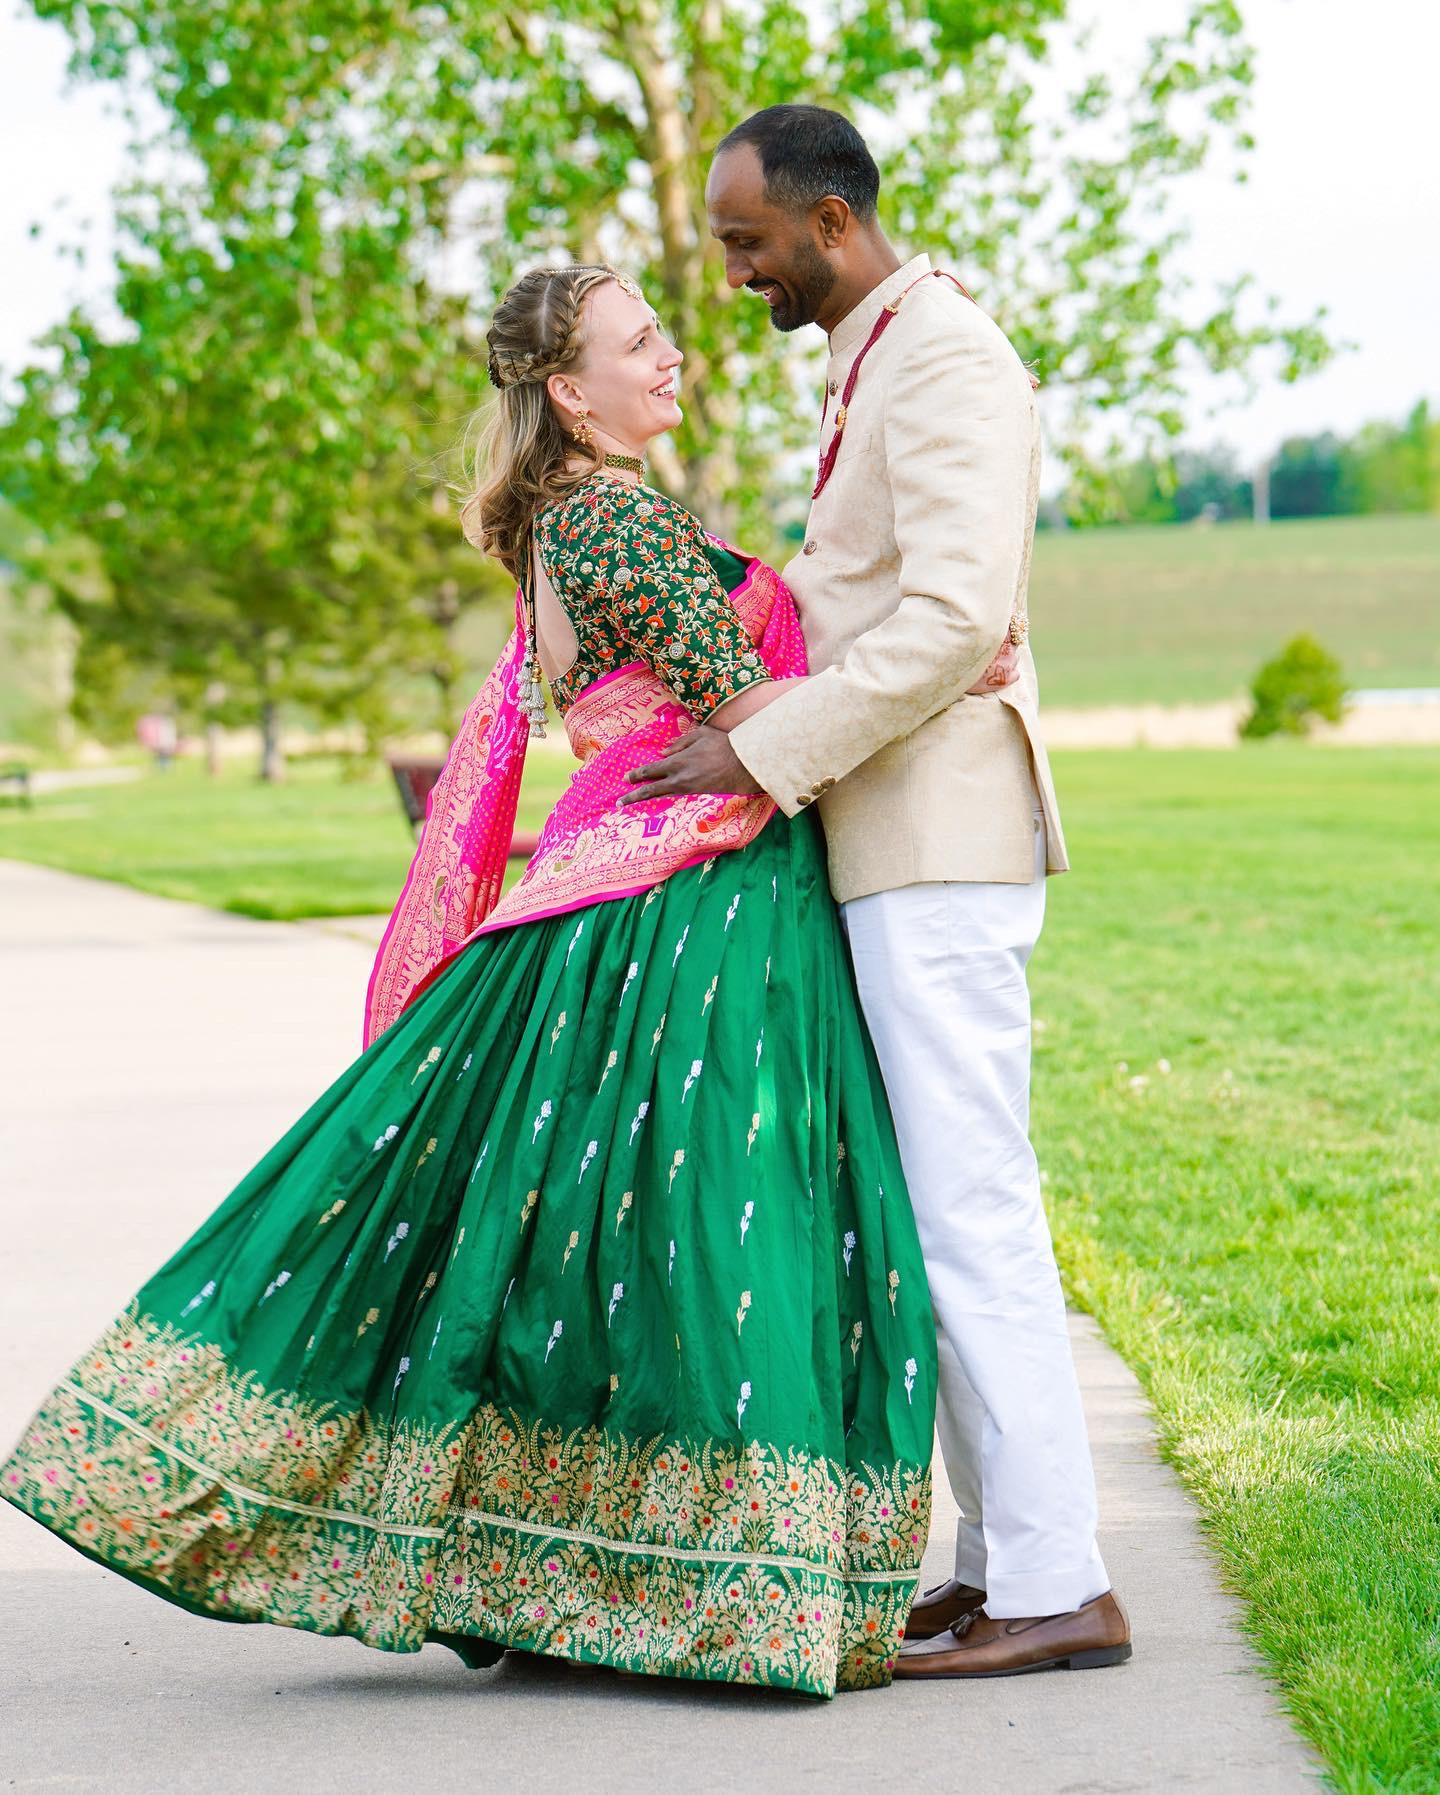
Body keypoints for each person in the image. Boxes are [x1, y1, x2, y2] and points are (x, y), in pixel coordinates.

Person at [0, 262, 937, 1700]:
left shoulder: (579, 511)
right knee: (702, 1220)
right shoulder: (612, 515)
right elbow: (755, 720)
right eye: (641, 342)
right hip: (684, 905)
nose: (674, 355)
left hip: (644, 890)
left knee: (587, 1237)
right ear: (569, 390)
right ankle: (715, 1594)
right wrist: (953, 677)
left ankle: (567, 1575)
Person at [624, 105, 1132, 1678]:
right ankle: (1001, 1569)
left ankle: (1060, 1589)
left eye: (744, 238)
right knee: (942, 1212)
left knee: (974, 1209)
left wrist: (759, 745)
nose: (732, 270)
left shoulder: (952, 360)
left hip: (943, 837)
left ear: (831, 223)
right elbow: (876, 605)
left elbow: (956, 614)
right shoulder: (875, 352)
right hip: (891, 837)